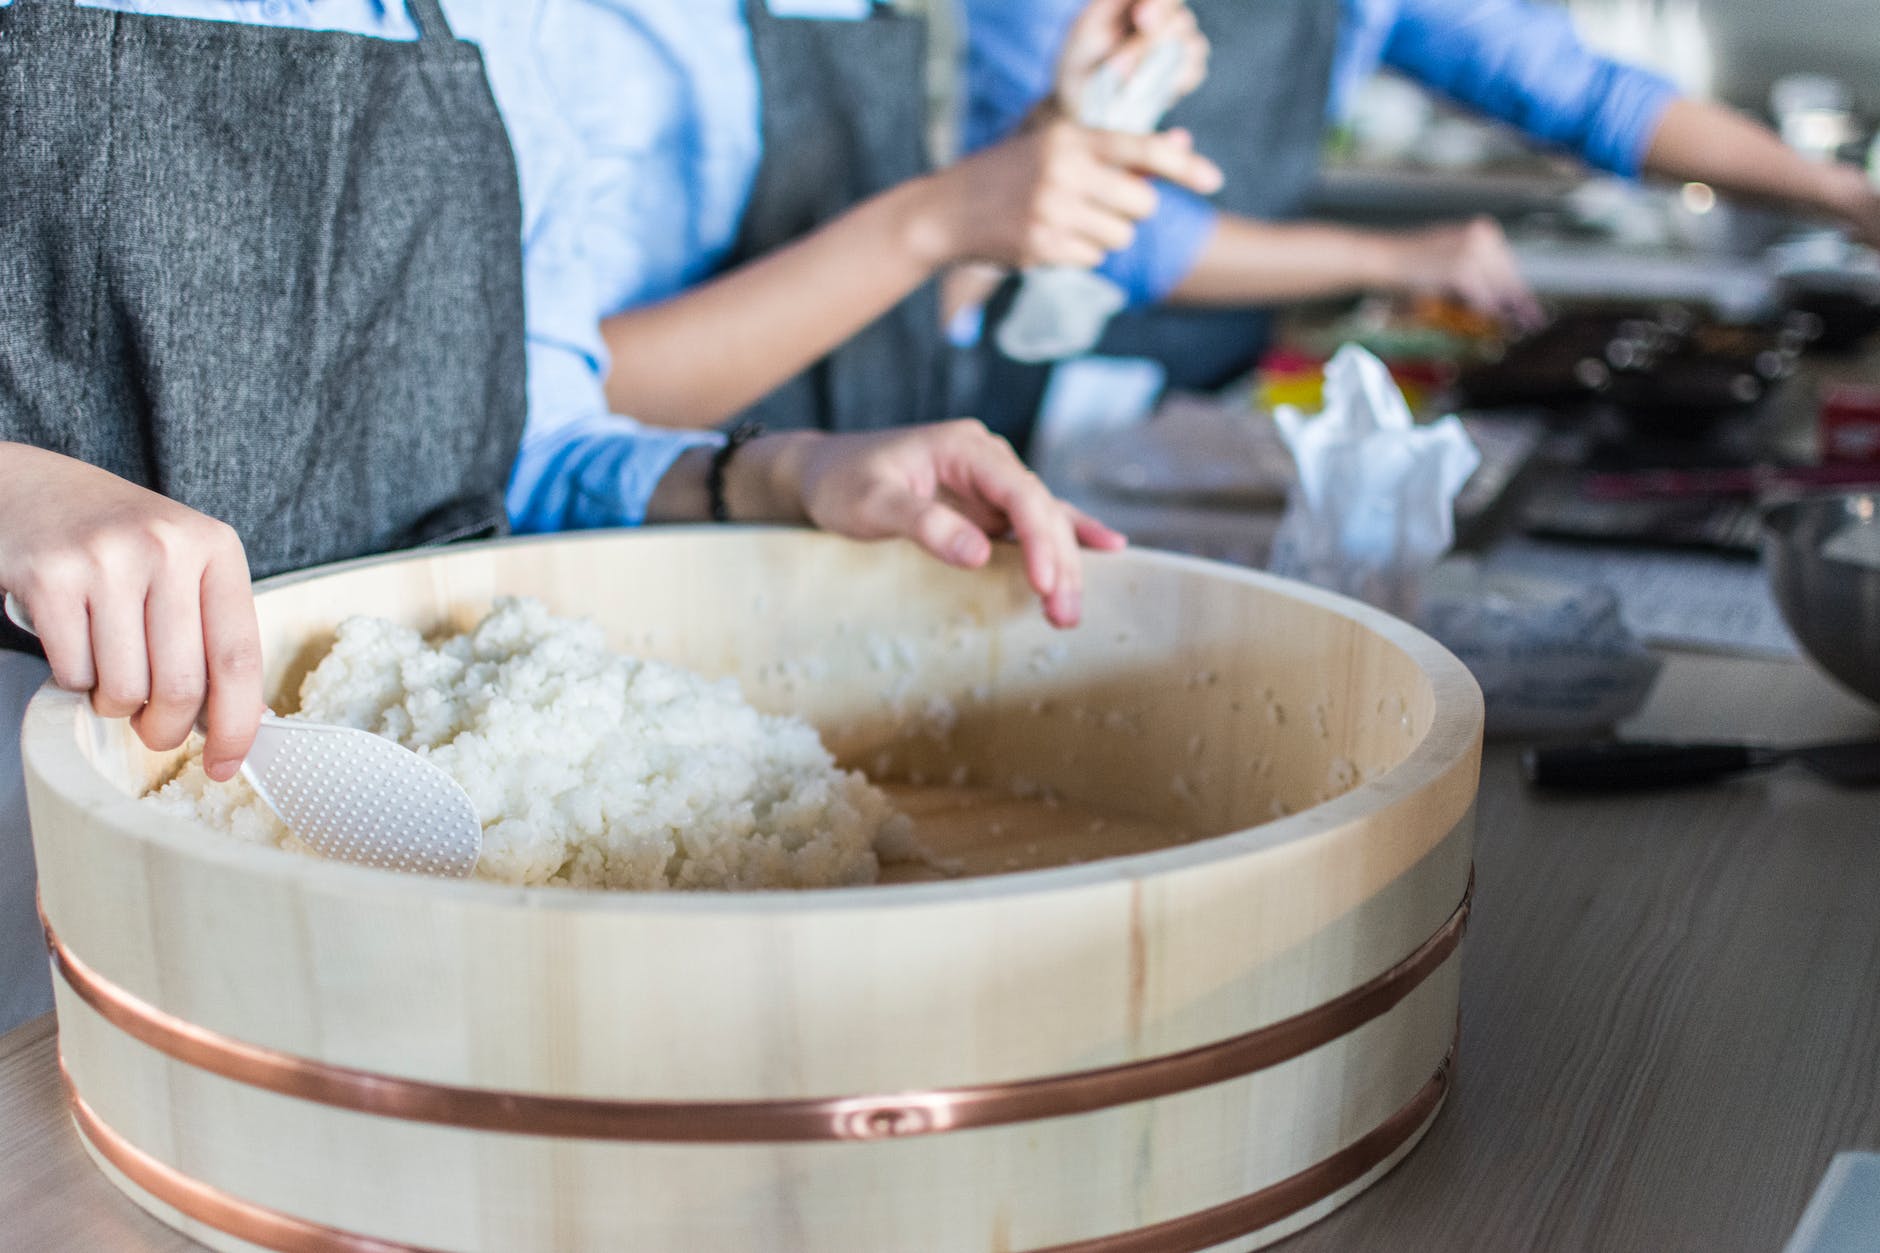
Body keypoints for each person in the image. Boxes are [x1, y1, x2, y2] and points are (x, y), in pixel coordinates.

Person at [0, 0, 1122, 1034]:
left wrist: (779, 472)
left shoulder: (508, 24)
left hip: (390, 820)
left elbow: (528, 438)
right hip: (47, 792)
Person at [965, 0, 1880, 409]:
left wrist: (1844, 195)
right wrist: (1394, 256)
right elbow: (1122, 237)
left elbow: (1582, 93)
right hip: (1029, 371)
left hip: (1213, 371)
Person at [529, 0, 1219, 447]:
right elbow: (553, 399)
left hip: (857, 528)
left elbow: (896, 317)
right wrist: (936, 219)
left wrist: (1051, 144)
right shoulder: (580, 33)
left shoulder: (862, 10)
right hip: (658, 561)